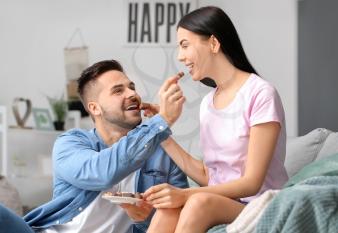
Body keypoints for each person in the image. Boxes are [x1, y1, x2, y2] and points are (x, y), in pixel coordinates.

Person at [142, 6, 289, 233]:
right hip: (223, 203)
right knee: (167, 209)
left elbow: (252, 183)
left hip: (260, 203)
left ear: (213, 43)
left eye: (184, 45)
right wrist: (161, 130)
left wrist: (184, 194)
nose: (180, 56)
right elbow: (208, 176)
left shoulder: (260, 93)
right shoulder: (207, 103)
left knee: (197, 202)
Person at [0, 59, 188, 233]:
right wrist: (161, 122)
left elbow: (180, 218)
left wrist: (143, 220)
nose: (132, 94)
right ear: (95, 108)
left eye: (132, 87)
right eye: (118, 90)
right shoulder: (70, 143)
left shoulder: (164, 154)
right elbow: (102, 174)